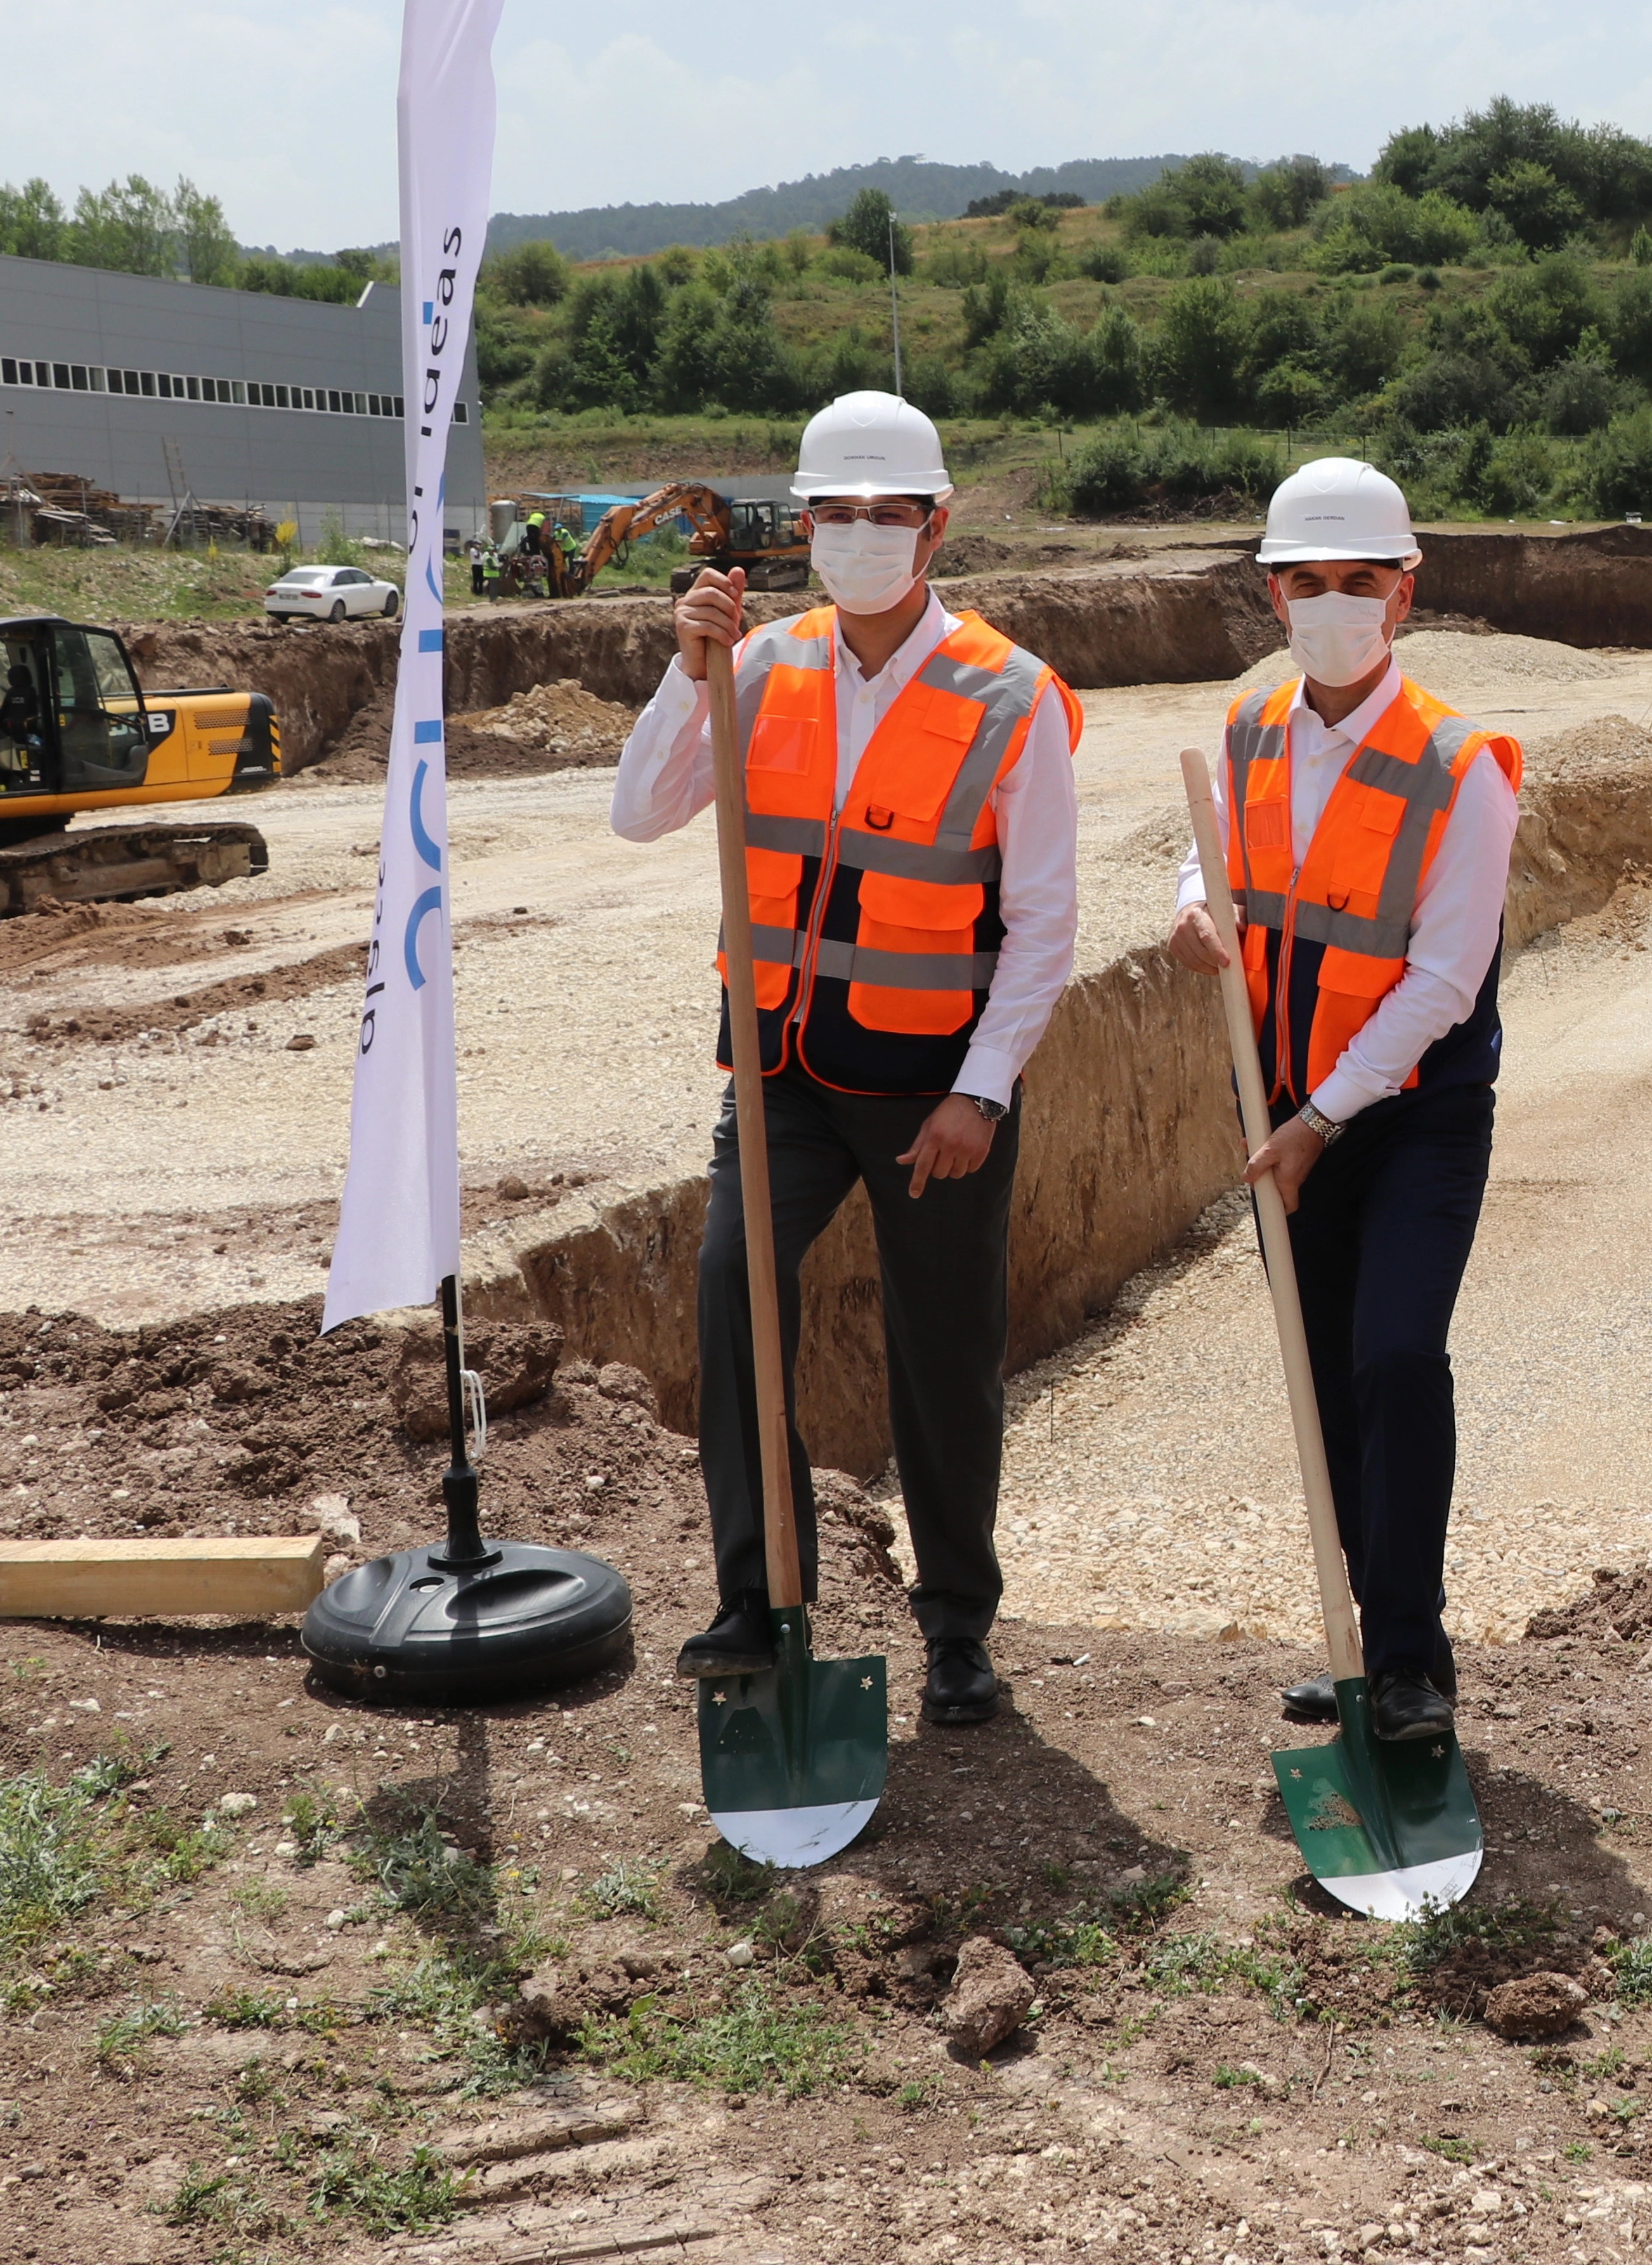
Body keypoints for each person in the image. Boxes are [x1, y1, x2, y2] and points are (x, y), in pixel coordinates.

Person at [609, 390, 1083, 1729]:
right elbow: (641, 811)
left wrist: (984, 1089)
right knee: (730, 1303)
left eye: (889, 512)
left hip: (935, 1088)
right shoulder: (764, 668)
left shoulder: (1012, 692)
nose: (862, 533)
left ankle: (957, 1630)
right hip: (780, 1076)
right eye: (837, 512)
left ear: (936, 523)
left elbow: (1044, 917)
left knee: (944, 1358)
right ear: (799, 525)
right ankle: (761, 1599)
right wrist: (684, 668)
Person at [1170, 457, 1519, 1747]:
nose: (1331, 603)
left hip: (1411, 1112)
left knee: (1393, 1355)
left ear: (1403, 593)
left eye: (1356, 583)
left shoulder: (1460, 762)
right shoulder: (1248, 726)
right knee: (1323, 1378)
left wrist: (1323, 1118)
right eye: (1306, 581)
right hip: (1283, 1103)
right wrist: (1193, 910)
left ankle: (1416, 1660)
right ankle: (1359, 1640)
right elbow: (1207, 861)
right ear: (1271, 594)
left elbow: (1443, 975)